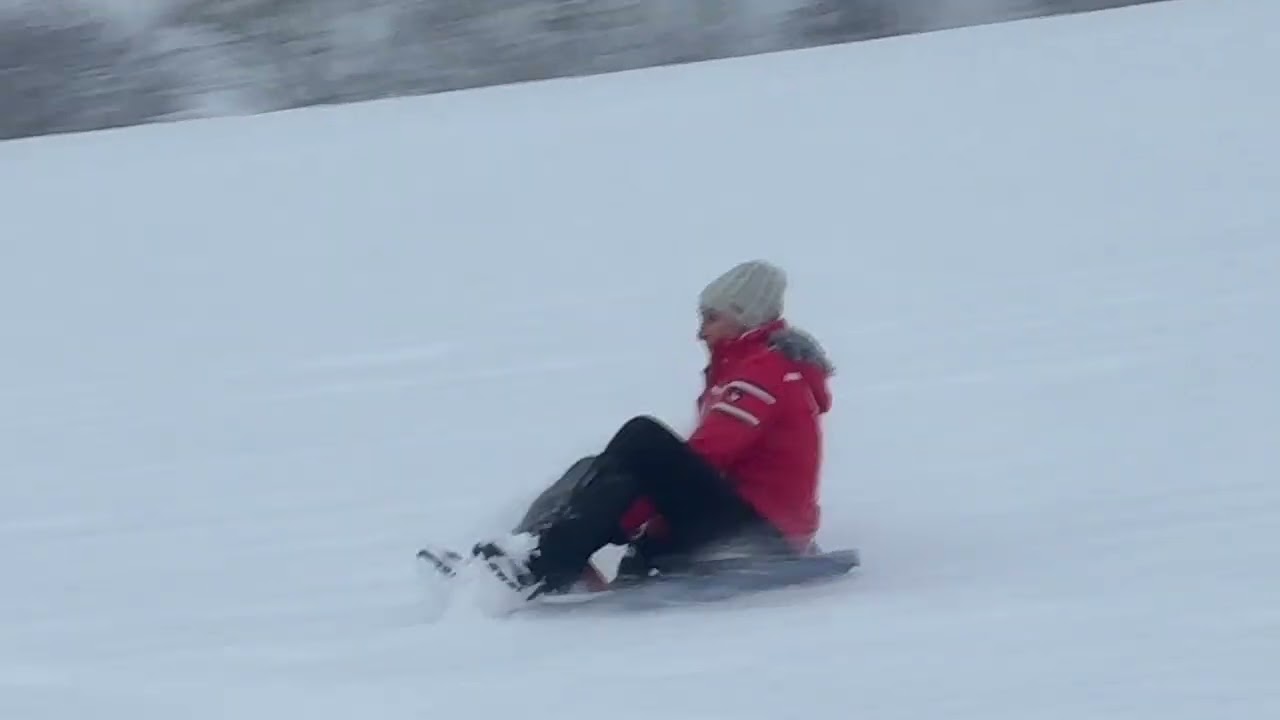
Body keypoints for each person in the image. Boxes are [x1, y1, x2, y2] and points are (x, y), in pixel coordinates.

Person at [473, 259, 835, 601]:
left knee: (641, 440)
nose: (700, 332)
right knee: (597, 464)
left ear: (745, 318)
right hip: (750, 525)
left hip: (758, 538)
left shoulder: (764, 374)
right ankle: (526, 546)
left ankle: (544, 563)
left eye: (711, 319)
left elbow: (707, 458)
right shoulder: (751, 372)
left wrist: (621, 522)